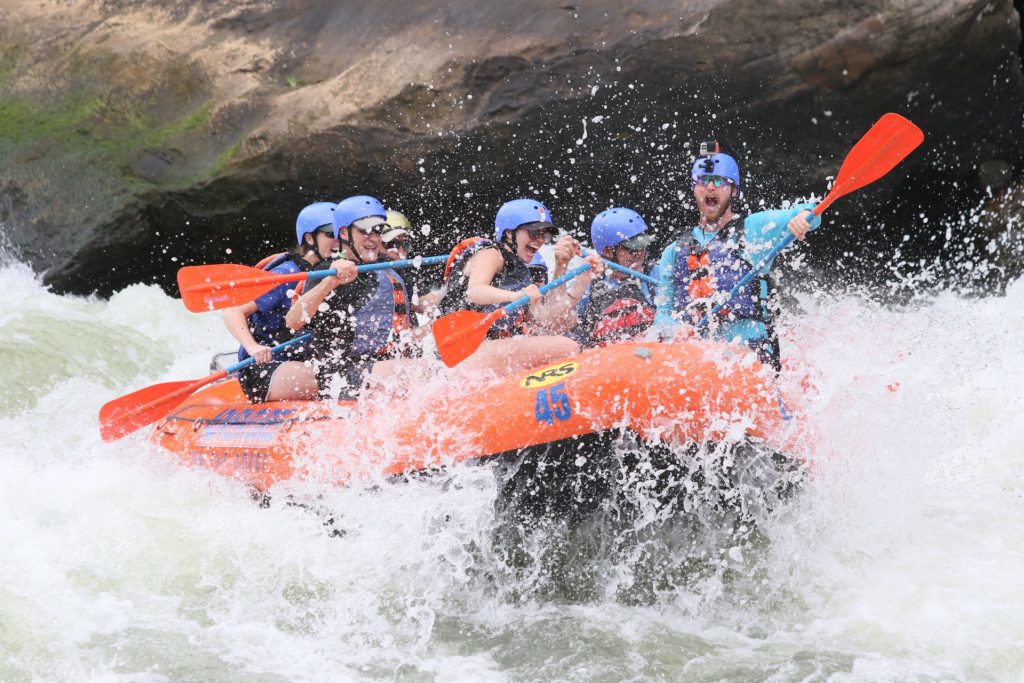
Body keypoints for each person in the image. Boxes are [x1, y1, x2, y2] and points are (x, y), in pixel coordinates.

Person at [654, 141, 820, 370]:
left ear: (733, 190)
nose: (710, 187)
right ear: (694, 188)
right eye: (703, 181)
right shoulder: (673, 252)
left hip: (750, 354)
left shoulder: (754, 230)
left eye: (720, 181)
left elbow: (813, 212)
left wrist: (804, 217)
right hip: (701, 360)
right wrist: (675, 329)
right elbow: (662, 317)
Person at [437, 198, 602, 373]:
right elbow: (475, 291)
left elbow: (549, 322)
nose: (540, 241)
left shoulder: (520, 273)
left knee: (565, 334)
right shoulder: (491, 253)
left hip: (485, 350)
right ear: (509, 233)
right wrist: (516, 296)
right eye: (533, 233)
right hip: (461, 352)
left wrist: (578, 277)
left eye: (544, 235)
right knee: (567, 347)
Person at [285, 195, 414, 399]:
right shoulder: (327, 270)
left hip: (386, 364)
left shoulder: (388, 267)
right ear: (344, 233)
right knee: (416, 372)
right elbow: (293, 321)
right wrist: (330, 282)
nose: (373, 237)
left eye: (378, 230)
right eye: (365, 230)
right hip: (344, 373)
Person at [221, 202, 336, 403]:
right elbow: (233, 311)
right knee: (336, 378)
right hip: (264, 368)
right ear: (309, 238)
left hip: (301, 362)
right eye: (330, 234)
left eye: (341, 233)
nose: (338, 241)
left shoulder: (333, 272)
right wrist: (253, 347)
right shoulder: (287, 274)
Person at [573, 207, 656, 347]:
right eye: (632, 248)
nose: (640, 253)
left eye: (642, 246)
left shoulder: (656, 274)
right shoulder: (588, 284)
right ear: (608, 251)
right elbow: (563, 324)